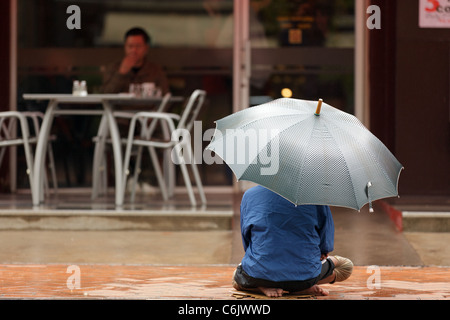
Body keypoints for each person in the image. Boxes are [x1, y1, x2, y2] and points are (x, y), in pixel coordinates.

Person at [232, 185, 353, 297]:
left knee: (236, 277)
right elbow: (325, 244)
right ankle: (300, 287)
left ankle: (260, 287)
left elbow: (246, 239)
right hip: (305, 277)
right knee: (345, 266)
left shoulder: (249, 195)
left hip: (260, 275)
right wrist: (322, 252)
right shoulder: (316, 197)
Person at [101, 27, 169, 94]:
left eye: (138, 46)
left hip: (148, 105)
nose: (134, 50)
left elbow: (165, 97)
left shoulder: (156, 70)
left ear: (146, 48)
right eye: (130, 46)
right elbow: (106, 94)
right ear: (125, 47)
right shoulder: (113, 68)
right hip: (121, 105)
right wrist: (121, 73)